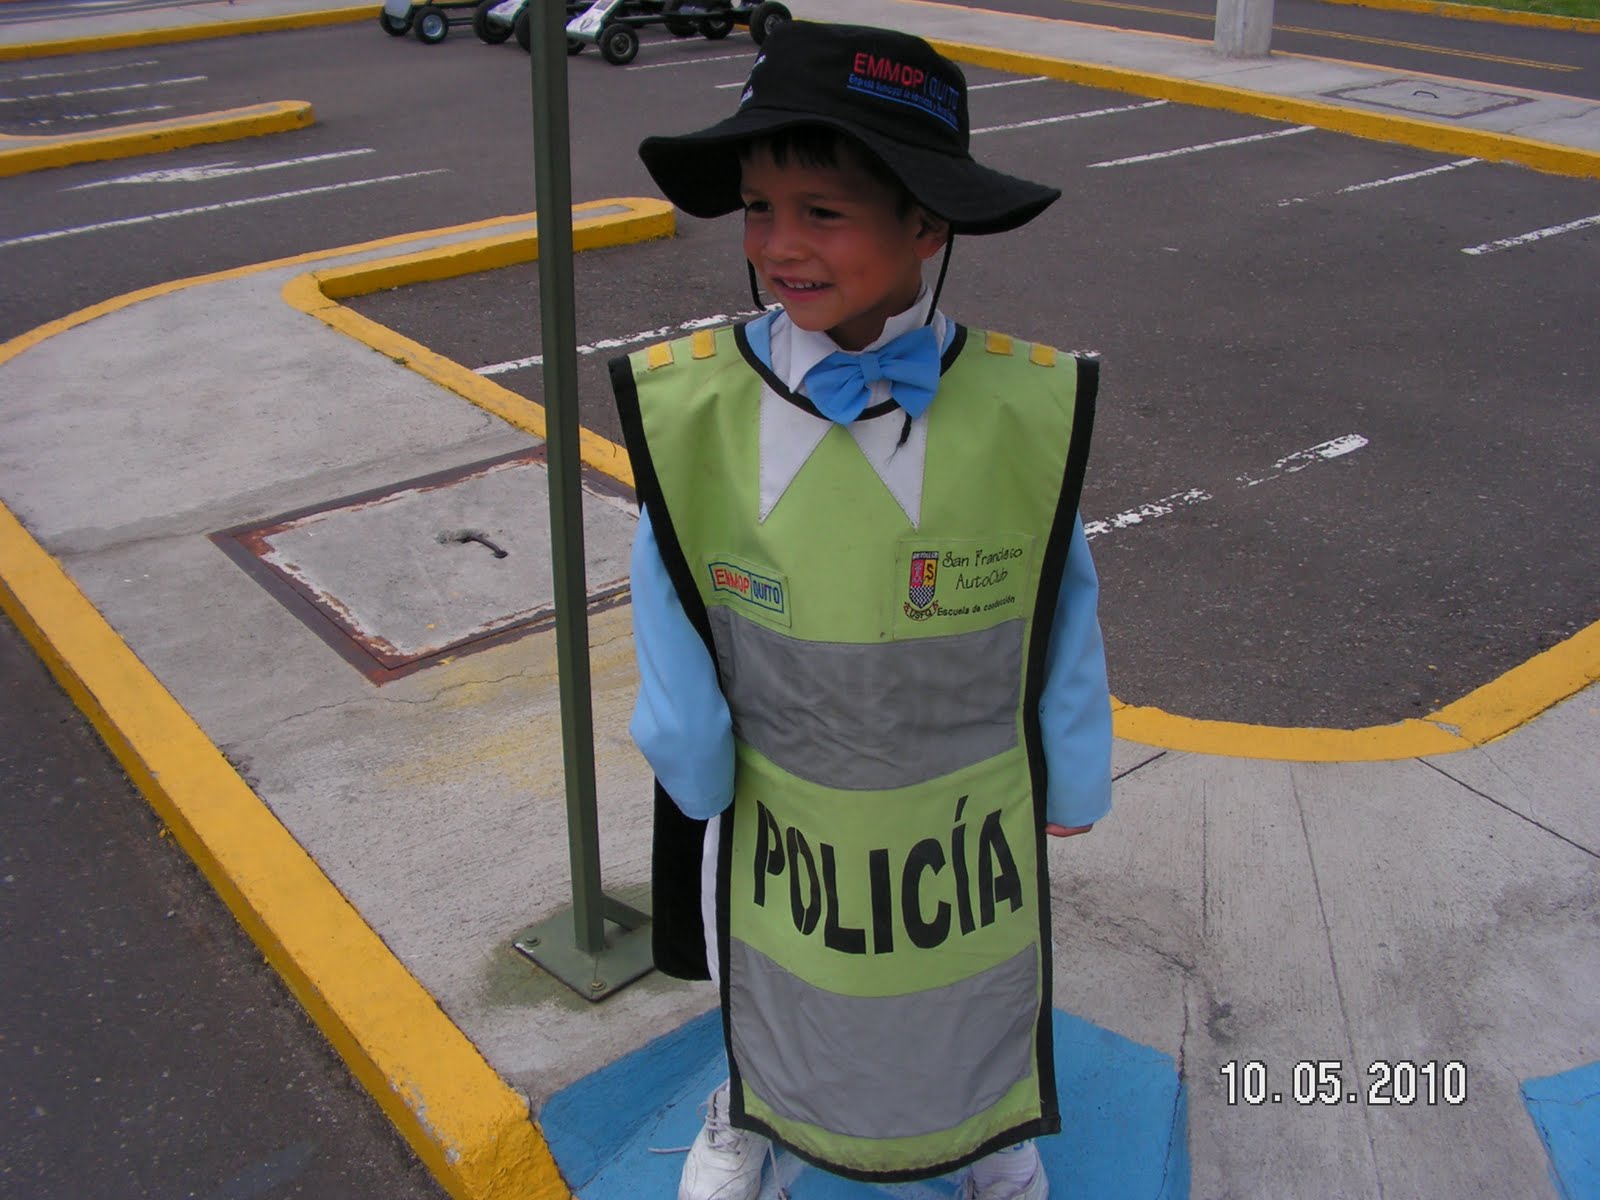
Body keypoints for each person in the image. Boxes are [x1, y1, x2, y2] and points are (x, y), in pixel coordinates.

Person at [609, 21, 1112, 1200]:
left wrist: (1072, 768)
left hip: (962, 808)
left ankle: (991, 1130)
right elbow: (668, 579)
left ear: (927, 223)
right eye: (756, 208)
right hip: (774, 795)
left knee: (970, 977)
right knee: (770, 973)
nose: (780, 245)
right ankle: (753, 1107)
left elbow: (1058, 589)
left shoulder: (1016, 408)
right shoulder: (700, 409)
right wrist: (688, 756)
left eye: (822, 211)